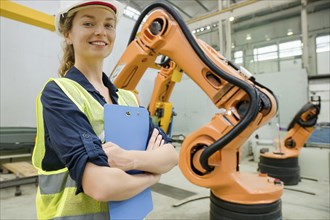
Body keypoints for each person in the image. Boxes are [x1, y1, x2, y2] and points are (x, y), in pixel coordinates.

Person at [32, 1, 178, 219]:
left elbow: (170, 156)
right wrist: (151, 174)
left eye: (109, 25)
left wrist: (130, 159)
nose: (101, 32)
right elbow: (101, 186)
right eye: (88, 23)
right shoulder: (59, 93)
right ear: (68, 34)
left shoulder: (128, 98)